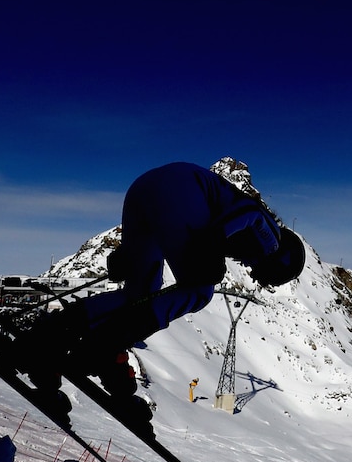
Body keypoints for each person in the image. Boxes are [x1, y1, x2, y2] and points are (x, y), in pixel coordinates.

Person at [18, 161, 306, 423]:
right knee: (200, 288)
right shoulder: (273, 242)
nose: (255, 275)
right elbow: (250, 216)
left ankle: (53, 332)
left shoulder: (234, 213)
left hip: (144, 191)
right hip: (181, 193)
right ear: (280, 267)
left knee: (140, 291)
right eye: (270, 279)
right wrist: (213, 240)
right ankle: (106, 343)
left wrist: (129, 255)